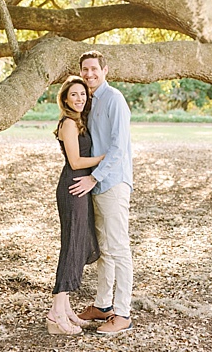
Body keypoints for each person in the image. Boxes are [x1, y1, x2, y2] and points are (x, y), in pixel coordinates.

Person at [69, 50, 134, 335]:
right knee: (104, 250)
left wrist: (95, 178)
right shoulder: (89, 101)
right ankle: (103, 305)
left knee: (118, 249)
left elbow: (119, 148)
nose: (89, 74)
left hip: (112, 182)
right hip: (96, 183)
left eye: (94, 68)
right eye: (85, 69)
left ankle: (123, 314)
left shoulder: (115, 99)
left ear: (105, 70)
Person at [47, 76, 103, 335]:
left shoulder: (79, 121)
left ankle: (66, 308)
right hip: (73, 188)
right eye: (74, 95)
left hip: (82, 187)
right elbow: (76, 161)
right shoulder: (69, 123)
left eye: (82, 94)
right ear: (65, 99)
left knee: (78, 243)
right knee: (71, 245)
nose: (79, 98)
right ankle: (55, 314)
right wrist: (106, 156)